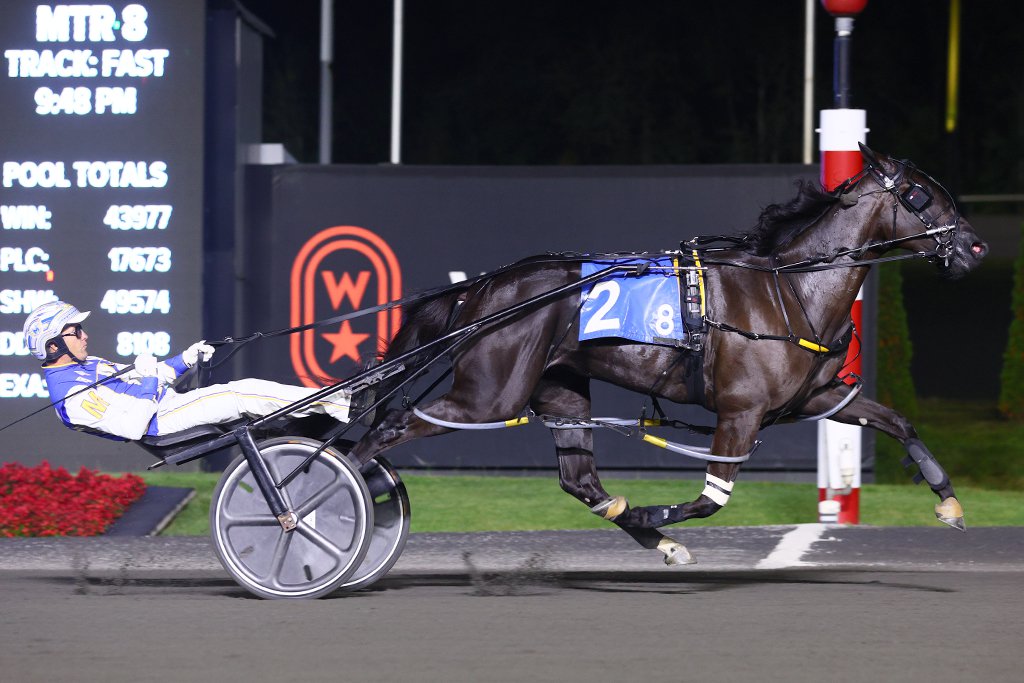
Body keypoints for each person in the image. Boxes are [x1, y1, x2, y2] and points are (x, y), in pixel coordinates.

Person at [23, 300, 357, 442]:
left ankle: (331, 403)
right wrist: (151, 376)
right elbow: (132, 425)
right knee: (241, 392)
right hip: (161, 424)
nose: (84, 335)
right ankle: (341, 403)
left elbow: (153, 378)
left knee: (243, 390)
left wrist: (185, 358)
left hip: (168, 406)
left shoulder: (89, 364)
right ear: (53, 346)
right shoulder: (69, 398)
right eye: (75, 332)